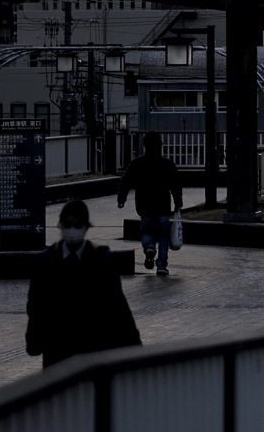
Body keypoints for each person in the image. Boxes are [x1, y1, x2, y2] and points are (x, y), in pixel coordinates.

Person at [25, 199, 140, 370]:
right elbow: (36, 306)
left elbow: (118, 307)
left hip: (93, 353)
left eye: (77, 225)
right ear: (61, 225)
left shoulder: (101, 260)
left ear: (86, 227)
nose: (72, 230)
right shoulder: (47, 261)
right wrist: (34, 341)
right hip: (57, 353)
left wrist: (133, 349)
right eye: (68, 224)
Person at [118, 130, 183, 276]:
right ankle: (161, 265)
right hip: (162, 207)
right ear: (160, 145)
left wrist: (121, 198)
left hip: (144, 206)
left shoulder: (137, 163)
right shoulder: (167, 164)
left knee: (147, 231)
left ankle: (149, 248)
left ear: (145, 145)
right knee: (163, 236)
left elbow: (125, 181)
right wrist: (178, 202)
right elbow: (176, 185)